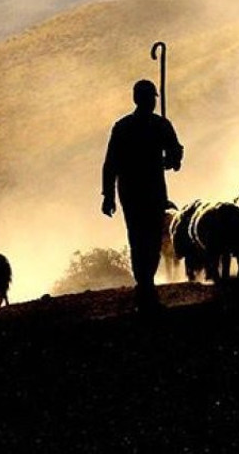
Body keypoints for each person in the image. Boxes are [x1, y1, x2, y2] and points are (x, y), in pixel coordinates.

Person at [101, 79, 183, 311]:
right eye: (150, 98)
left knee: (141, 238)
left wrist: (109, 195)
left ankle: (145, 284)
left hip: (133, 191)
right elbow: (176, 153)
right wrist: (172, 160)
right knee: (147, 238)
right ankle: (146, 284)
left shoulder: (125, 126)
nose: (151, 102)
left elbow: (110, 165)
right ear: (146, 99)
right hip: (148, 190)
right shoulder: (159, 125)